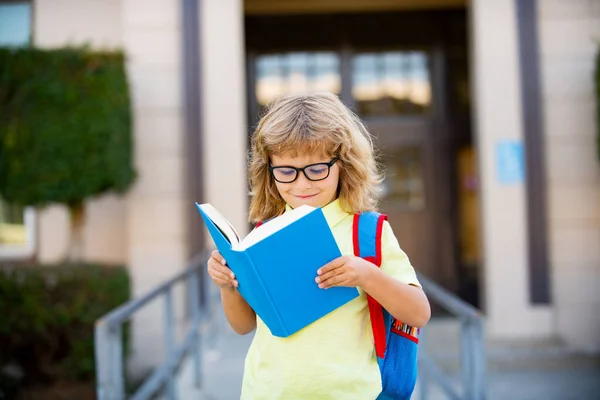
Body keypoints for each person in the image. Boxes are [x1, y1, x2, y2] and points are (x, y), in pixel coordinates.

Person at [207, 91, 431, 399]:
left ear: (344, 164)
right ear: (268, 171)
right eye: (286, 171)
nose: (302, 184)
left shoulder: (367, 231)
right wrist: (227, 285)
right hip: (266, 392)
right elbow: (244, 325)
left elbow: (418, 313)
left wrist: (366, 275)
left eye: (316, 170)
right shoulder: (263, 235)